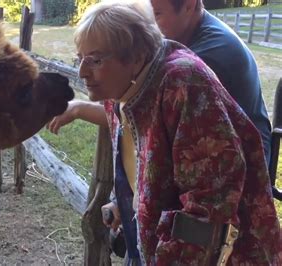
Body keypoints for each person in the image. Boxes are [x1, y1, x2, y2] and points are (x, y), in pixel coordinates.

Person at [47, 1, 281, 264]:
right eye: (80, 59)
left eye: (95, 60)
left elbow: (209, 212)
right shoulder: (119, 91)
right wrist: (123, 202)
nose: (82, 72)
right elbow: (145, 161)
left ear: (135, 57)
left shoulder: (184, 84)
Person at [151, 0, 272, 165]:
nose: (149, 24)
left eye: (156, 14)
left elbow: (147, 108)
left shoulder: (206, 57)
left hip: (246, 167)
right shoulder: (189, 34)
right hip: (217, 148)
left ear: (188, 5)